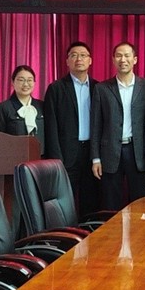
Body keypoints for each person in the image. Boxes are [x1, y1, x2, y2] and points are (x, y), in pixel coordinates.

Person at [90, 42, 145, 210]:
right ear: (113, 60)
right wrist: (95, 158)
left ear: (135, 59)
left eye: (127, 55)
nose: (123, 59)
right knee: (110, 203)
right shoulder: (101, 89)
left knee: (140, 202)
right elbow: (95, 126)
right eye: (118, 56)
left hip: (137, 152)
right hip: (110, 152)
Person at [44, 41, 101, 217]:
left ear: (90, 60)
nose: (79, 59)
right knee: (64, 203)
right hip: (66, 155)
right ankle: (66, 233)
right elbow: (51, 127)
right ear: (67, 61)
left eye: (83, 55)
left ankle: (89, 232)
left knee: (91, 201)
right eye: (74, 55)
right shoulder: (56, 88)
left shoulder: (98, 88)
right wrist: (57, 159)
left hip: (91, 154)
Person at [0, 64, 45, 156]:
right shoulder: (3, 107)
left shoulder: (42, 106)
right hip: (14, 158)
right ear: (13, 82)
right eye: (21, 80)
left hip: (40, 157)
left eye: (29, 80)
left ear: (34, 82)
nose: (26, 84)